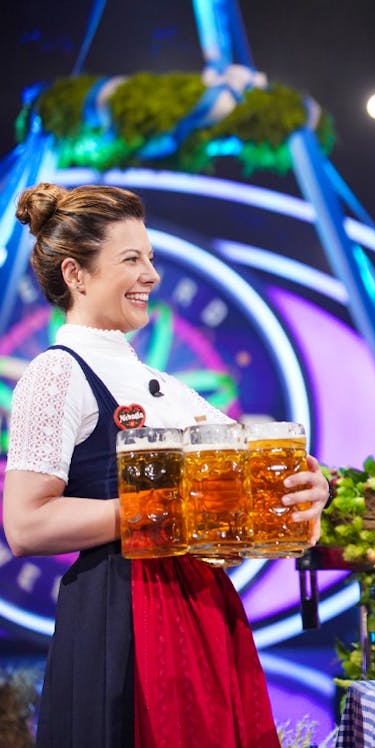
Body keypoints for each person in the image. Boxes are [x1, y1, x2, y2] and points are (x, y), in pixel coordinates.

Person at [2, 182, 330, 747]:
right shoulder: (55, 374)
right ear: (77, 275)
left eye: (150, 258)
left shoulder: (163, 385)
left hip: (202, 611)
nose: (151, 275)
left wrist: (307, 487)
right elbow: (26, 525)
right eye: (131, 259)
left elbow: (242, 499)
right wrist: (163, 510)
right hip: (125, 617)